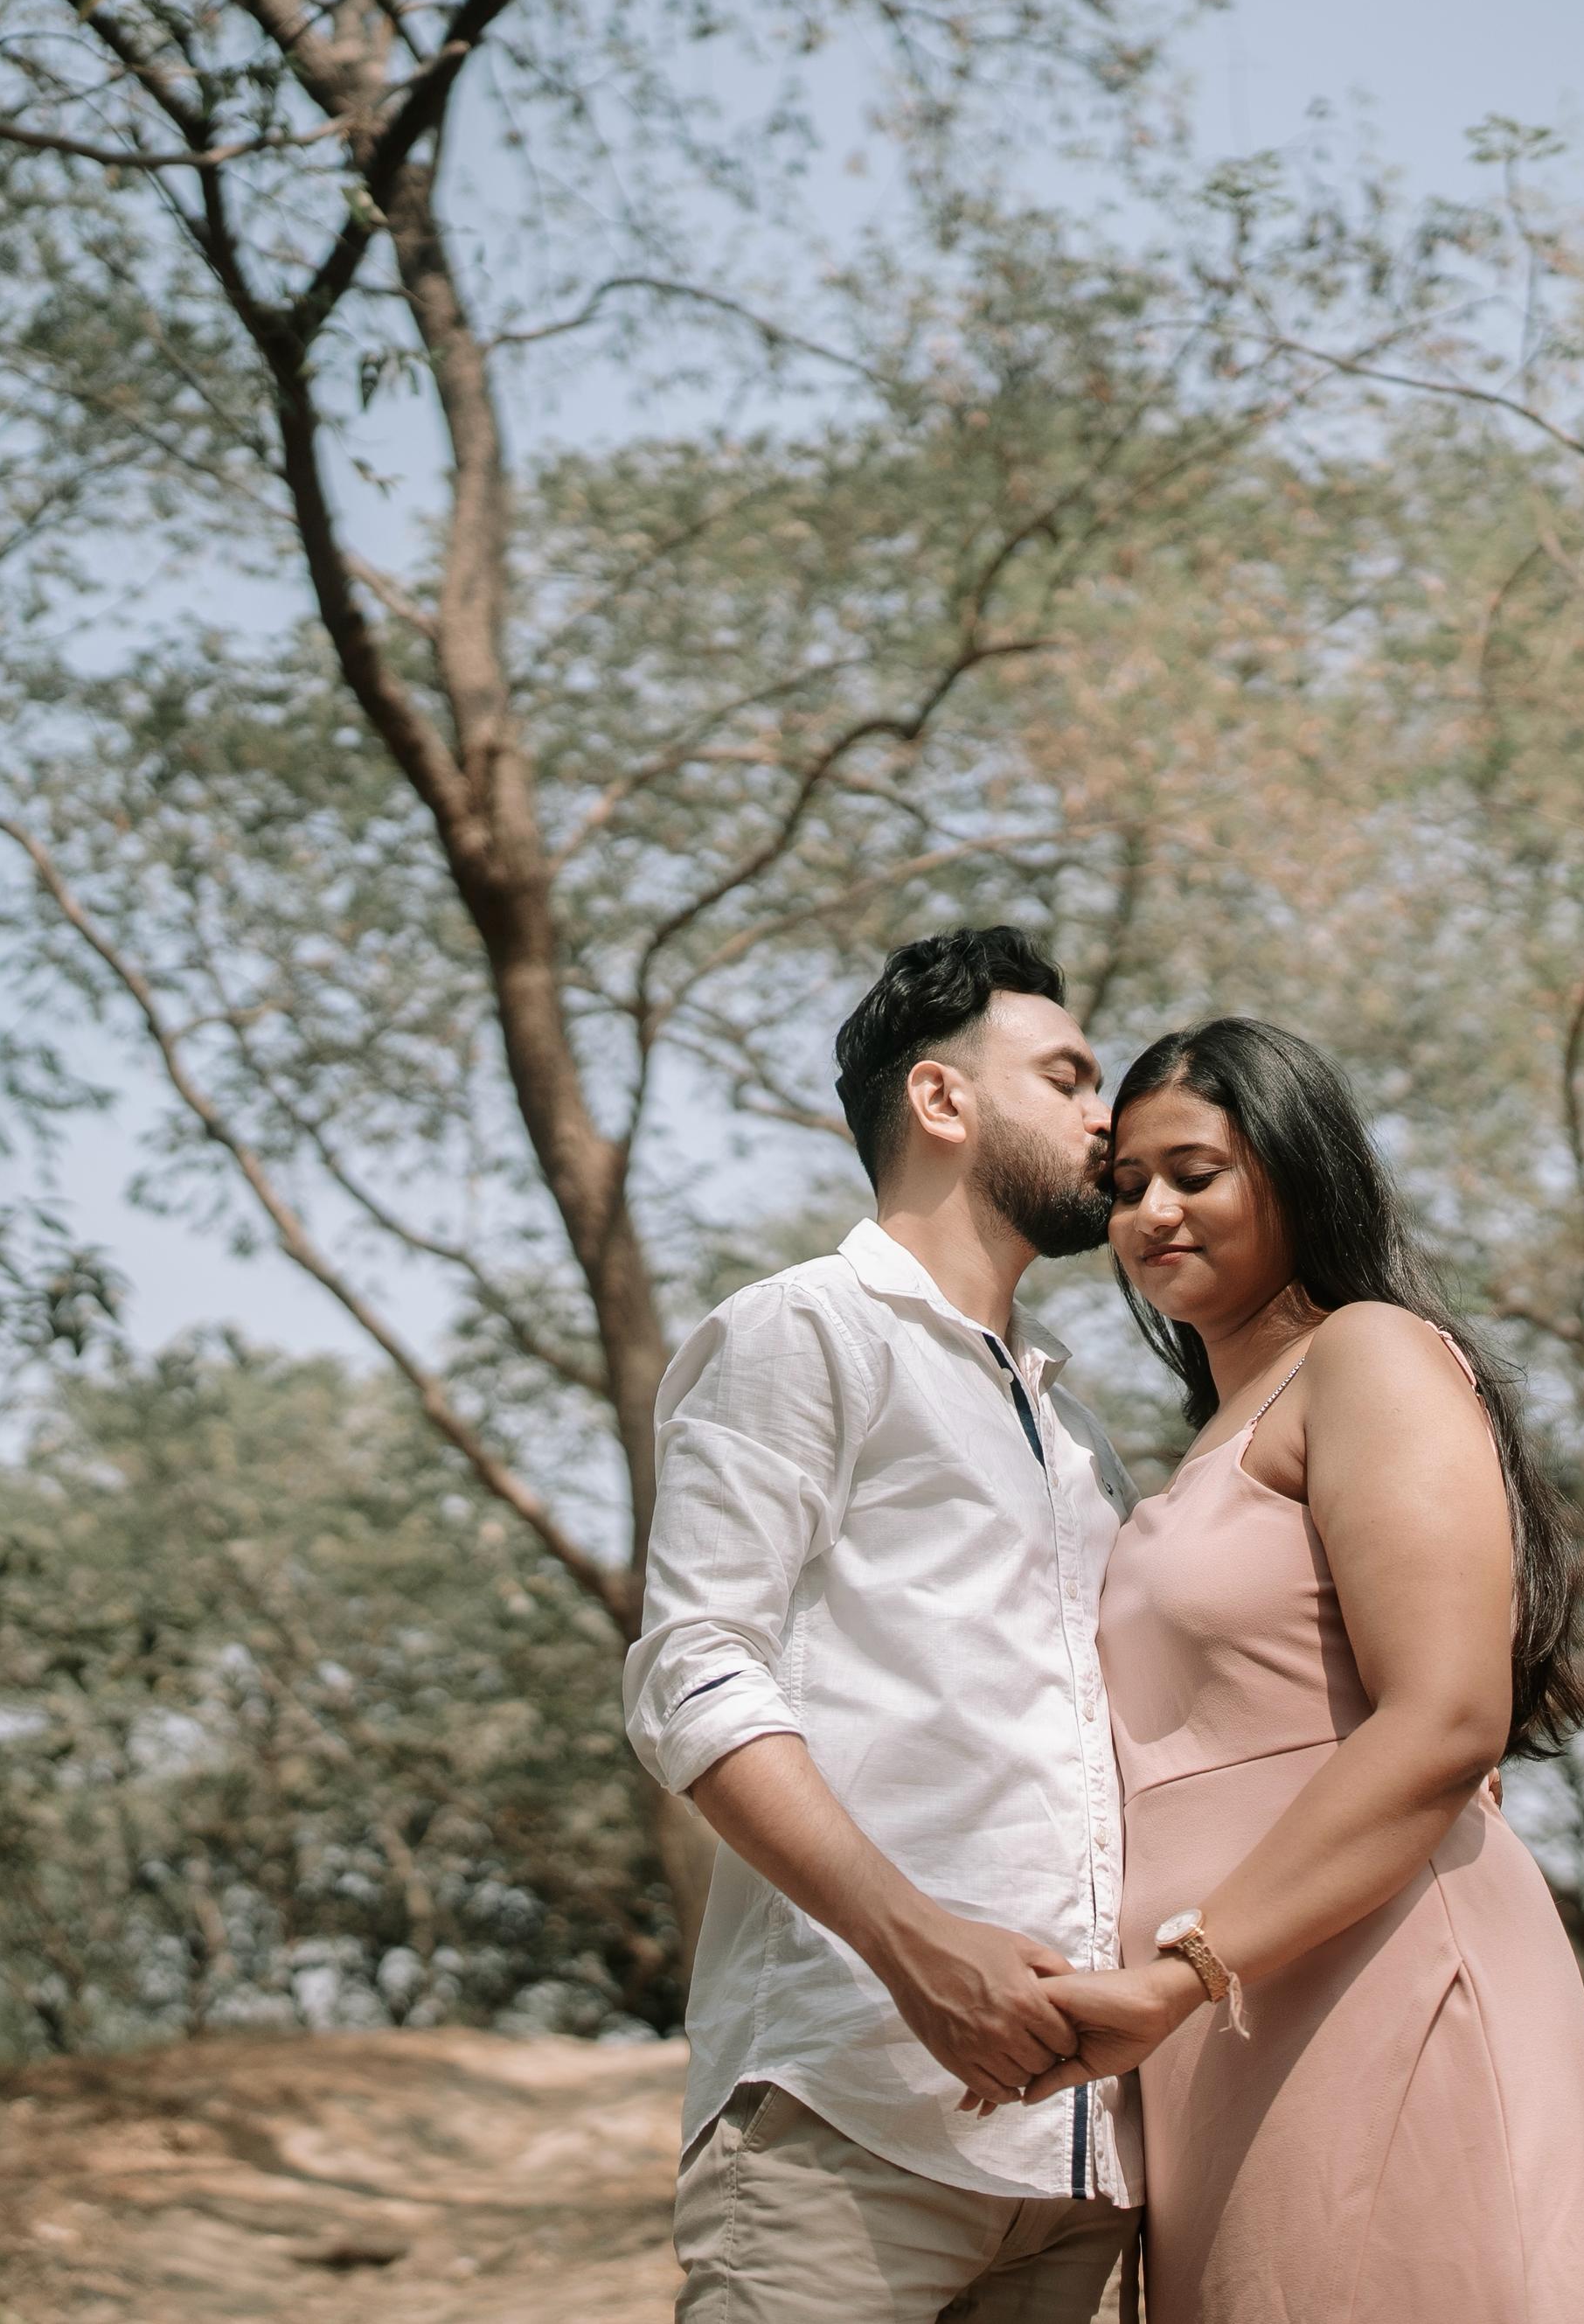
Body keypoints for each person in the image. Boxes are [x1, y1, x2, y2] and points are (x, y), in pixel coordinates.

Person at [989, 1016, 1584, 2323]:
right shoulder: (1207, 1443)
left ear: (1296, 1167)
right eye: (1126, 1187)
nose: (1151, 1209)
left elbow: (1450, 1716)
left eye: (1195, 1171)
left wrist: (1184, 1973)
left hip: (1366, 1970)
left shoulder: (1369, 1355)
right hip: (1216, 2032)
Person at [623, 927, 1143, 2324]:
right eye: (1071, 1077)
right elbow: (692, 1674)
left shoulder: (1084, 1435)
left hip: (1081, 2161)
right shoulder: (805, 1330)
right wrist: (916, 1945)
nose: (1111, 1119)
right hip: (848, 2120)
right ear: (941, 1099)